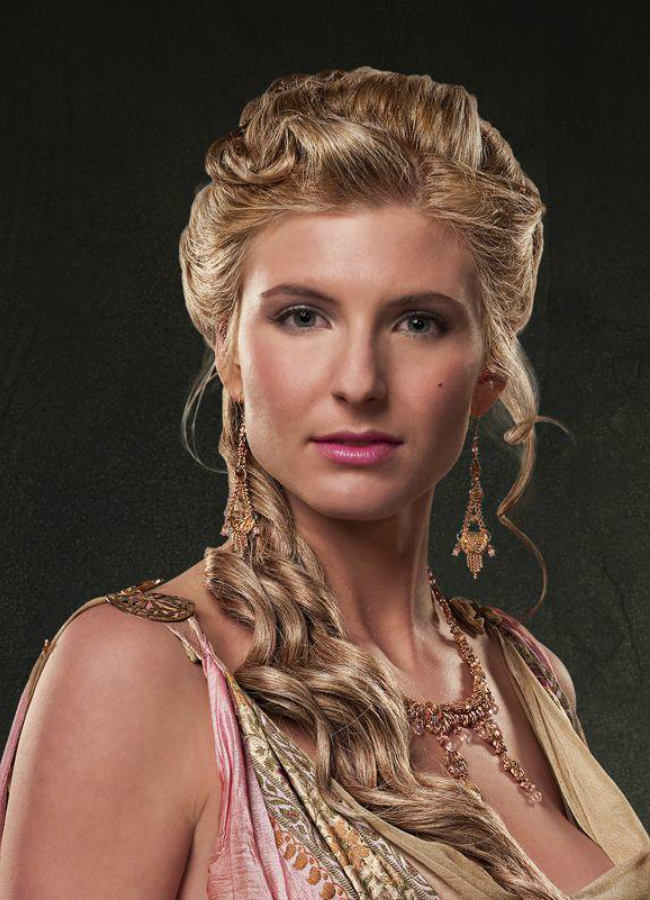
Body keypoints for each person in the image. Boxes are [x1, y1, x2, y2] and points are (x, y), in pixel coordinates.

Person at [0, 66, 648, 900]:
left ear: (487, 369)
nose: (359, 381)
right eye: (303, 316)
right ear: (231, 351)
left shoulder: (526, 673)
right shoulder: (135, 673)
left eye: (418, 322)